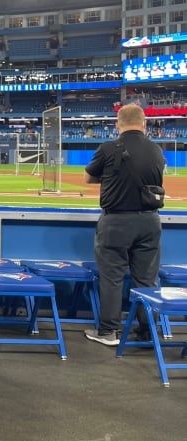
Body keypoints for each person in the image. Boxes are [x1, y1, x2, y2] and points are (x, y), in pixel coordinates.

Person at [83, 103, 165, 346]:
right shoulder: (156, 149)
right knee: (147, 279)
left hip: (116, 221)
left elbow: (88, 177)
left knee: (112, 278)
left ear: (117, 124)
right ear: (144, 124)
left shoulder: (109, 148)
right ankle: (148, 331)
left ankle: (109, 331)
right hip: (150, 221)